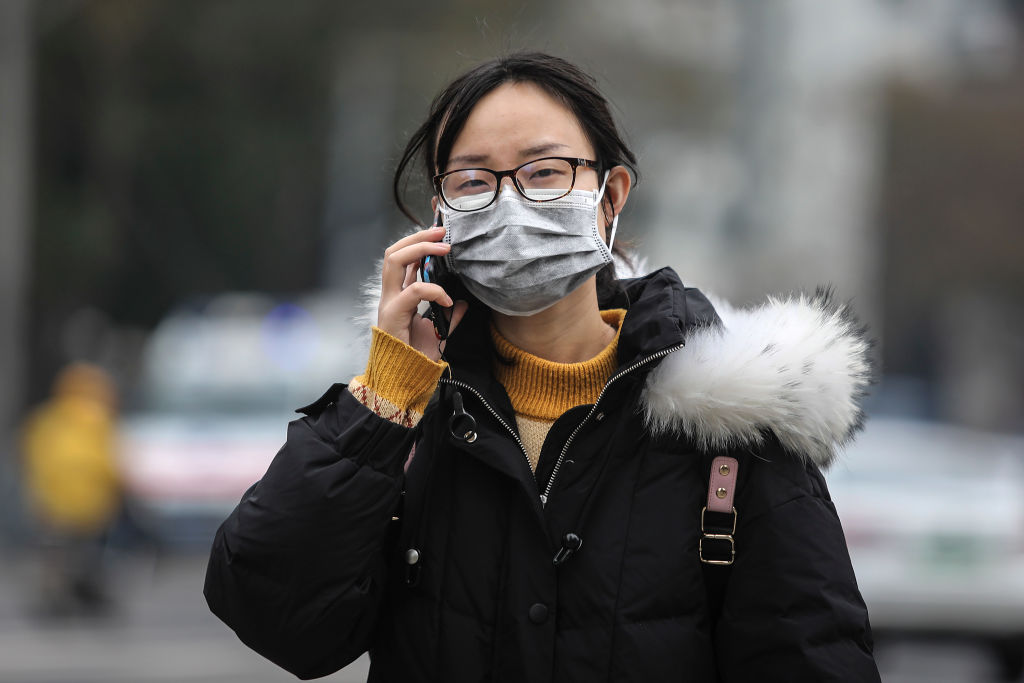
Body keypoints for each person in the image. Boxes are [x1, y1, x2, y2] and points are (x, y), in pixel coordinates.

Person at [205, 52, 880, 681]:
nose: (510, 203)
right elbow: (277, 617)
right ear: (440, 216)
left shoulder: (730, 427)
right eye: (473, 181)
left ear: (610, 196)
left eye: (544, 172)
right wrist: (384, 397)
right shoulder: (410, 419)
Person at [21, 362, 122, 616]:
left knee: (58, 552)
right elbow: (110, 461)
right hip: (90, 501)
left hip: (55, 501)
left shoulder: (47, 418)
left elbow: (33, 456)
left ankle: (60, 596)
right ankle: (82, 593)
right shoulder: (99, 419)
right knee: (87, 551)